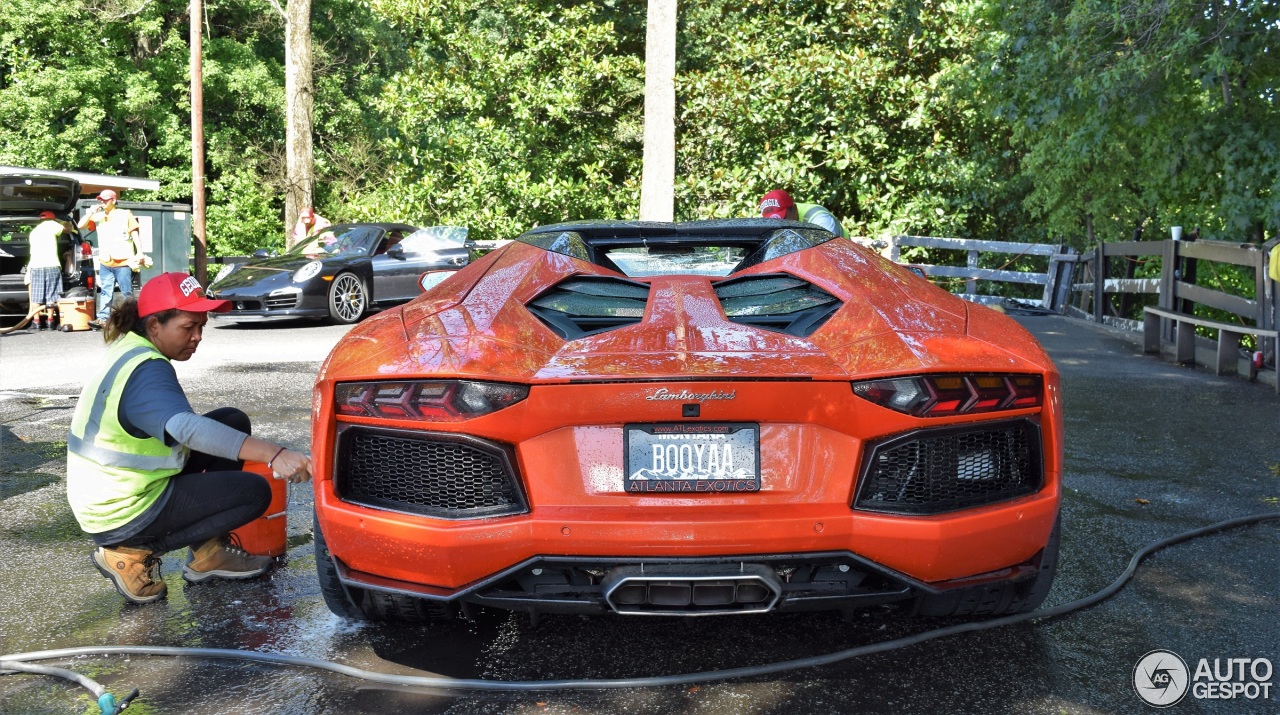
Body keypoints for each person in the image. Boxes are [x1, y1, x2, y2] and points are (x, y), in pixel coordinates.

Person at [66, 272, 314, 605]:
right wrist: (276, 454)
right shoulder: (148, 370)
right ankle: (131, 553)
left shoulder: (131, 347)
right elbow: (188, 429)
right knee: (254, 494)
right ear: (155, 325)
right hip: (120, 511)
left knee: (231, 420)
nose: (197, 337)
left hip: (111, 492)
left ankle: (208, 554)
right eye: (187, 327)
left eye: (201, 327)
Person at [78, 189, 146, 328]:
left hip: (123, 261)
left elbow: (135, 235)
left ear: (113, 201)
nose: (102, 202)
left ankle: (133, 318)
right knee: (105, 291)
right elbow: (80, 225)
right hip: (105, 260)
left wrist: (140, 253)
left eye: (105, 200)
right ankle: (103, 319)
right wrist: (91, 212)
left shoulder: (125, 214)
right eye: (100, 200)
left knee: (126, 291)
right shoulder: (98, 216)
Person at [24, 210, 71, 331]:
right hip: (52, 265)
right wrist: (66, 221)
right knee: (52, 294)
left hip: (36, 266)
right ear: (52, 218)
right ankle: (50, 322)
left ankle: (36, 323)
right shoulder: (52, 225)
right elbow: (68, 230)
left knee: (36, 296)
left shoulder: (34, 231)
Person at [758, 189, 848, 238]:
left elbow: (826, 251)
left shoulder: (820, 219)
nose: (779, 226)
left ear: (794, 209)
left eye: (783, 220)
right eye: (773, 222)